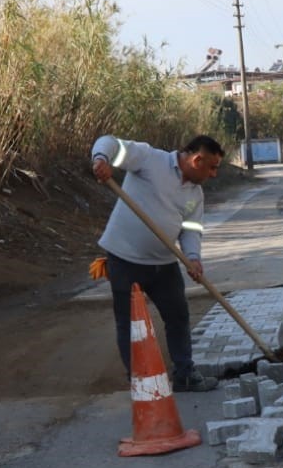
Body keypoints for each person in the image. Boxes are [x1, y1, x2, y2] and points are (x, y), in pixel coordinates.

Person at [91, 133, 224, 391]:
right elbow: (108, 142)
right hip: (125, 259)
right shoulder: (150, 159)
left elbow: (191, 229)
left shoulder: (195, 194)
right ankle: (140, 382)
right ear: (197, 160)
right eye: (212, 167)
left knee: (178, 316)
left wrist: (193, 257)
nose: (214, 174)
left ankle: (185, 374)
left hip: (164, 264)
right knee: (130, 323)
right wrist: (100, 160)